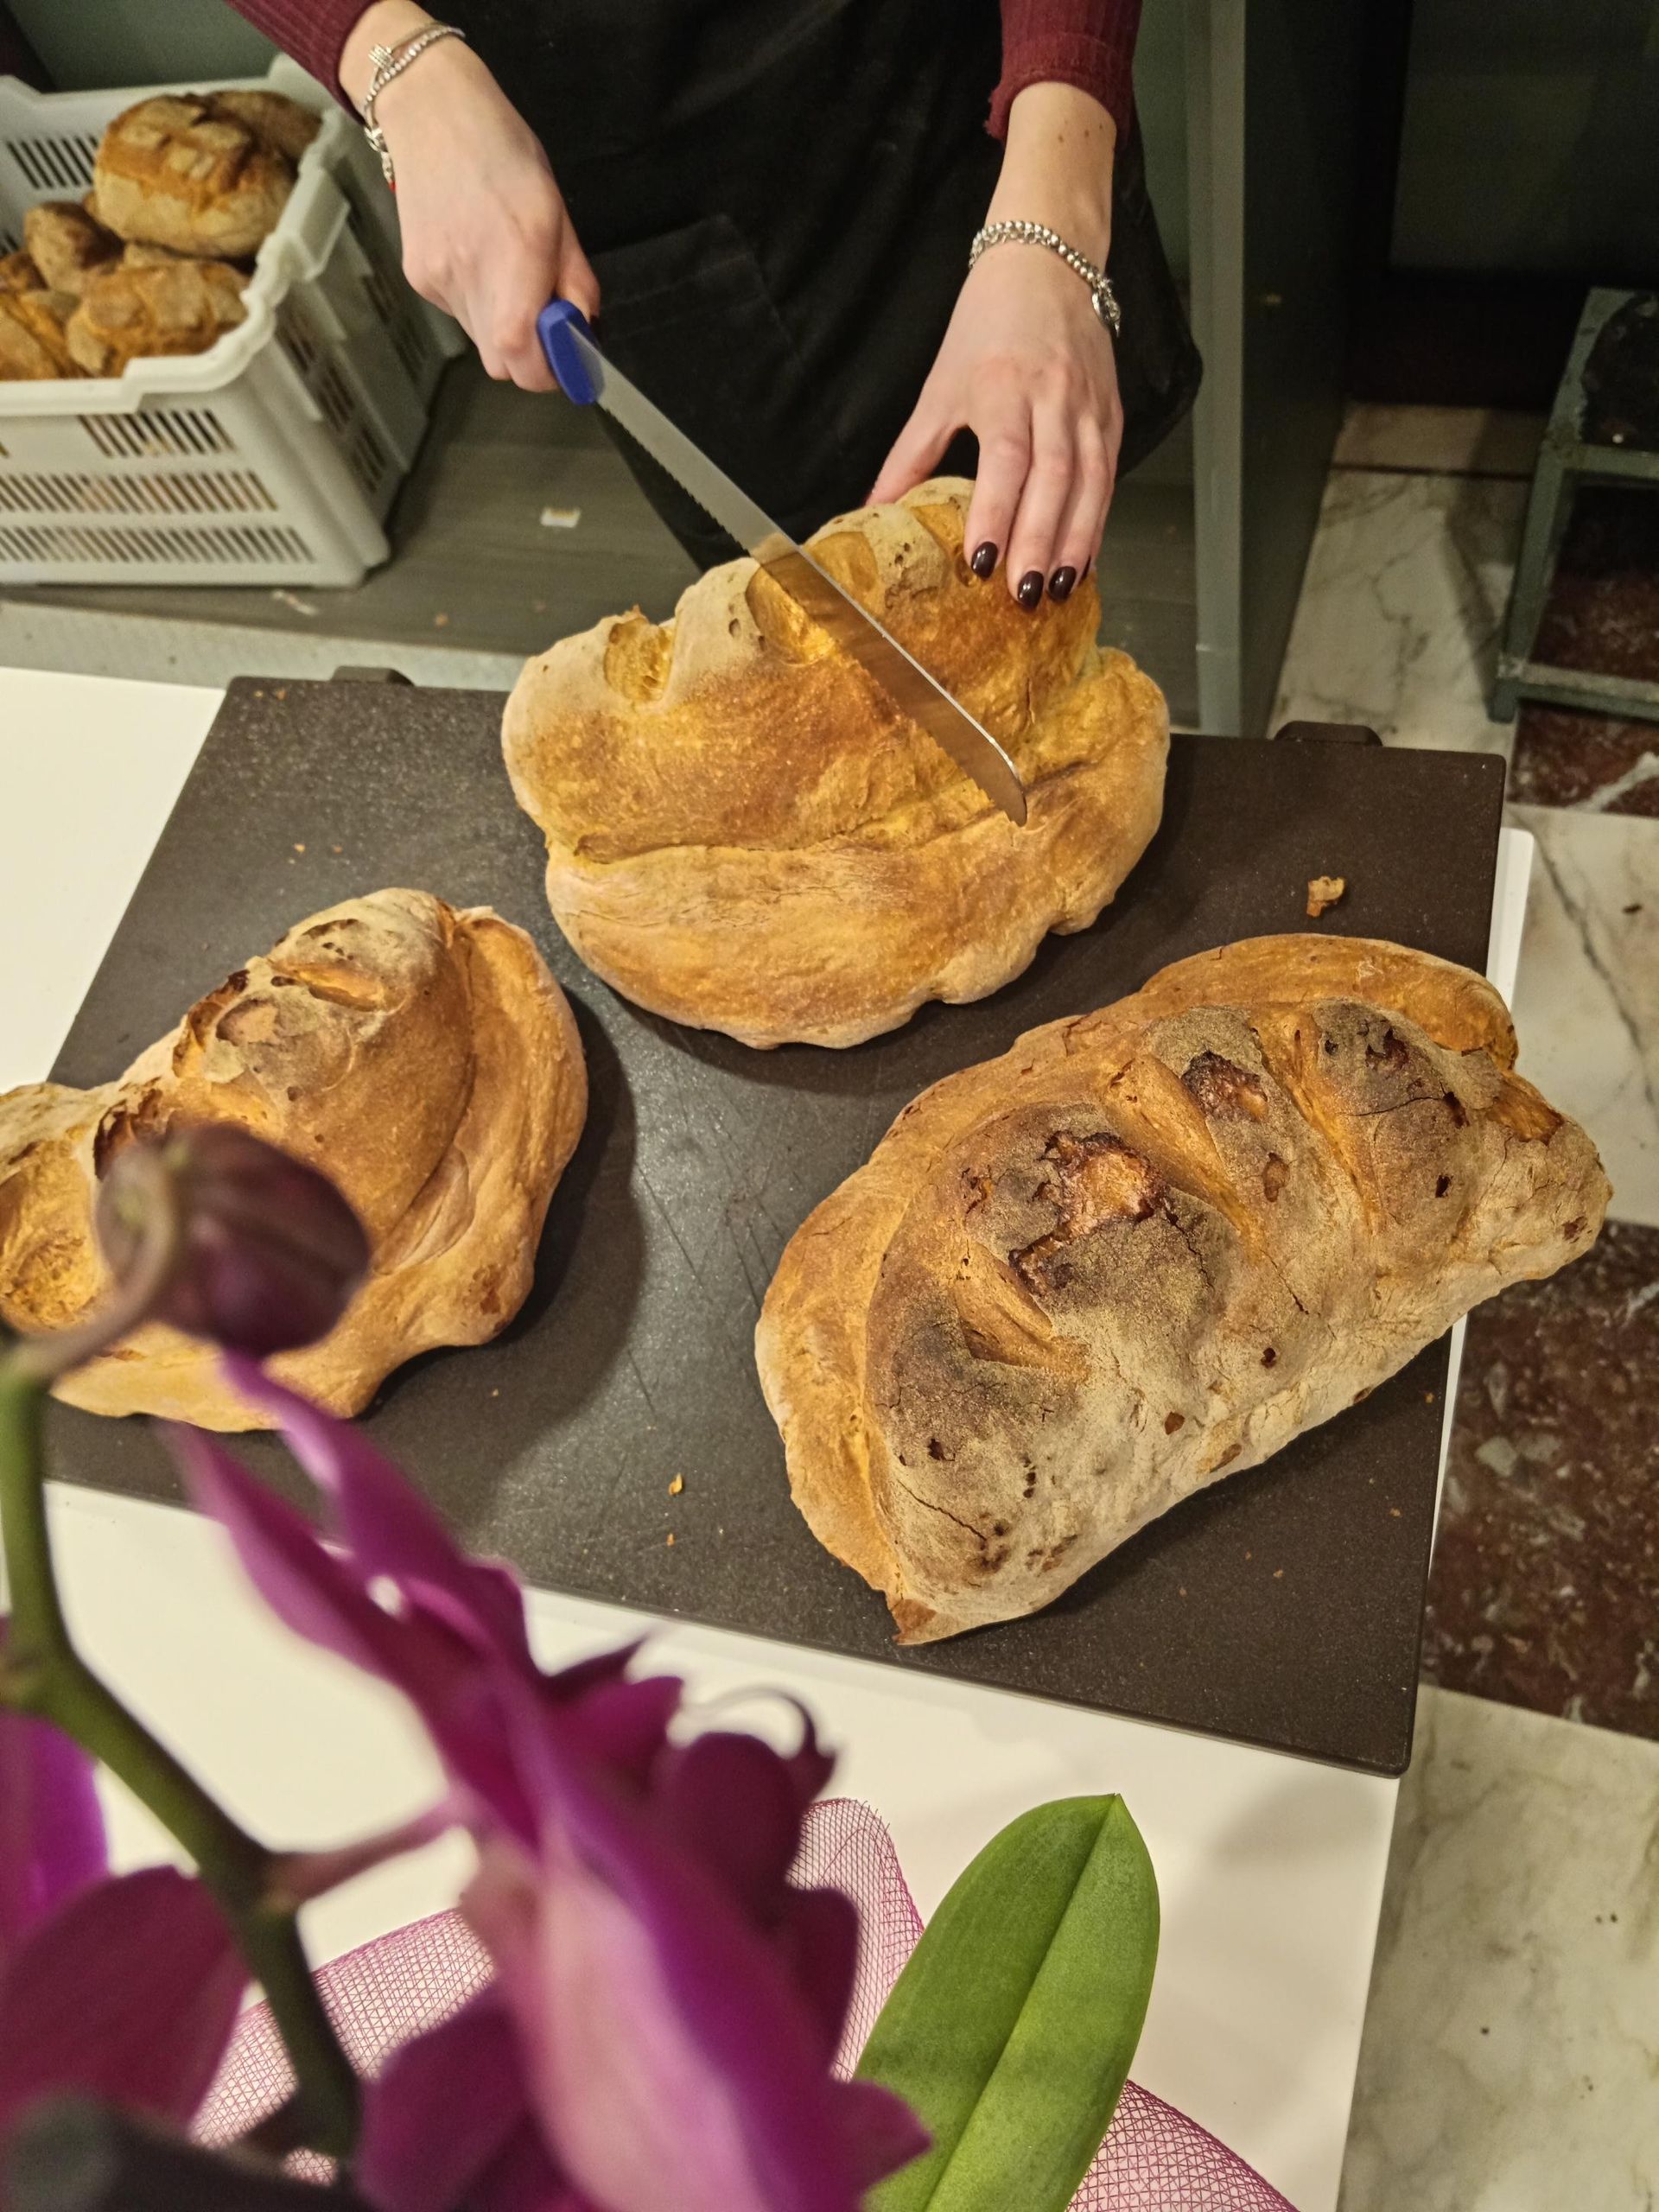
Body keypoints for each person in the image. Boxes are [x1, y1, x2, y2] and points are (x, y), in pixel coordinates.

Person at [232, 0, 1198, 607]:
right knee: (834, 634)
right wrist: (389, 56)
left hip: (962, 101)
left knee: (1036, 513)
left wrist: (1051, 212)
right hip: (626, 169)